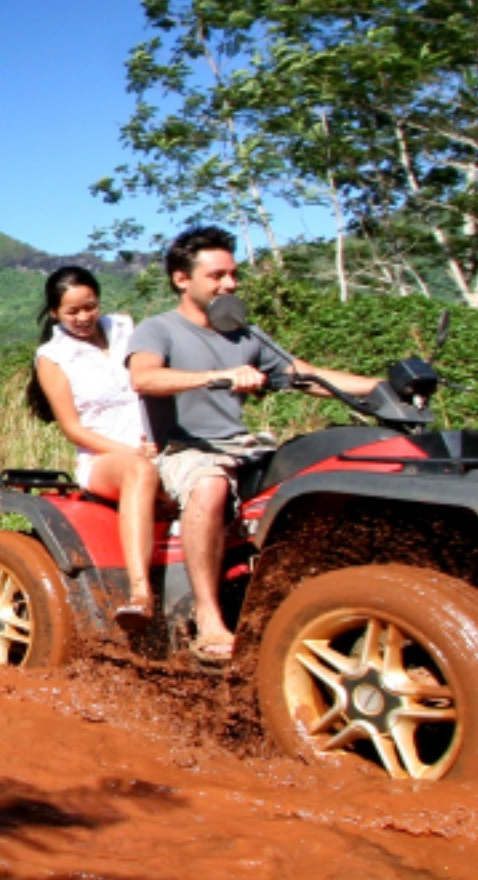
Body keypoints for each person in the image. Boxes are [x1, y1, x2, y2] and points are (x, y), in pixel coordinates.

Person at [128, 226, 381, 662]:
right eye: (217, 276)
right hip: (186, 451)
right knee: (208, 485)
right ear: (182, 279)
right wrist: (217, 377)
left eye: (233, 275)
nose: (230, 285)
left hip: (246, 446)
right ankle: (208, 620)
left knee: (326, 472)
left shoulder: (245, 334)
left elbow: (303, 374)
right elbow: (144, 377)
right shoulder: (159, 330)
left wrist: (380, 388)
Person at [28, 267, 163, 628]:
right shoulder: (53, 357)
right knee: (139, 472)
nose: (84, 317)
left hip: (157, 446)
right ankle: (140, 593)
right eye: (72, 312)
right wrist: (129, 452)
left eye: (90, 307)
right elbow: (73, 429)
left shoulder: (125, 328)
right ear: (55, 313)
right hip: (103, 459)